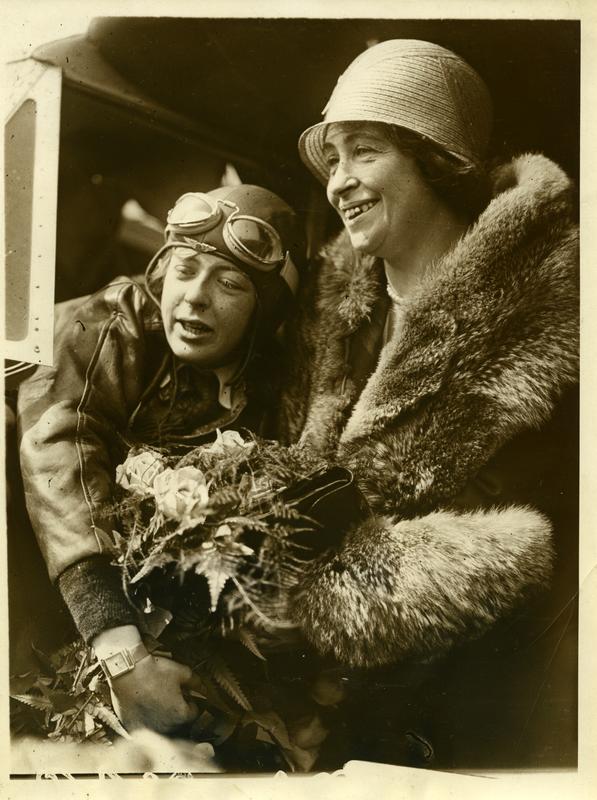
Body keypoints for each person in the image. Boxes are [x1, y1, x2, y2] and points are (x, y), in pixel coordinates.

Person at [279, 39, 579, 768]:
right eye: (332, 159)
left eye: (364, 152)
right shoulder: (336, 318)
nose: (338, 182)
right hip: (353, 700)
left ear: (433, 160)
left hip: (505, 686)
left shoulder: (553, 304)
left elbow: (531, 521)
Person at [14, 184, 305, 735]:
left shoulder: (262, 389)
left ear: (264, 313)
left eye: (230, 283)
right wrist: (124, 658)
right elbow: (58, 455)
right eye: (185, 269)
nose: (195, 297)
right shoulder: (108, 321)